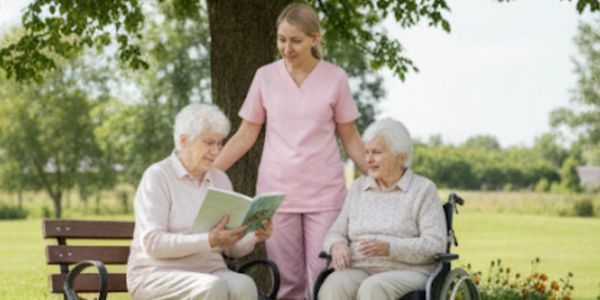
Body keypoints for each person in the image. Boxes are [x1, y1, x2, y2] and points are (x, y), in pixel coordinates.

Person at [214, 3, 368, 299]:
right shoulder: (265, 77)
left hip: (325, 196)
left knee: (323, 280)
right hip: (277, 195)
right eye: (281, 39)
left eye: (296, 40)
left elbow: (350, 138)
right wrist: (208, 171)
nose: (287, 47)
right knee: (287, 283)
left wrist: (383, 178)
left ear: (315, 39)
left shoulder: (335, 78)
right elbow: (246, 134)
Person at [126, 103, 272, 300]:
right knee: (211, 287)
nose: (216, 151)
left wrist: (254, 234)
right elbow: (153, 243)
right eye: (209, 143)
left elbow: (232, 250)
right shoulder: (158, 176)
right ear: (184, 140)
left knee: (244, 286)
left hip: (211, 271)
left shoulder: (220, 180)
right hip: (158, 274)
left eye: (219, 144)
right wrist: (209, 240)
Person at [318, 118, 448, 300]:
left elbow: (435, 244)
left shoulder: (423, 190)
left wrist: (390, 248)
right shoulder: (358, 188)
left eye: (377, 152)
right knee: (333, 287)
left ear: (401, 157)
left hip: (409, 271)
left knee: (373, 288)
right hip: (359, 267)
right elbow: (336, 232)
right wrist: (336, 245)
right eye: (367, 152)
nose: (368, 159)